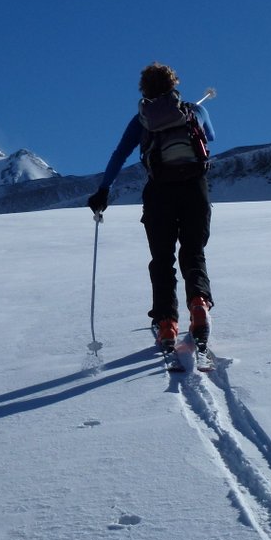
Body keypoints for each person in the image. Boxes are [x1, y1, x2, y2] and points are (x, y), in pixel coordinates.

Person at [87, 62, 216, 354]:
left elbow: (120, 154)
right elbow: (209, 139)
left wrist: (103, 190)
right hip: (195, 189)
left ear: (144, 89)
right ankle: (198, 304)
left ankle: (167, 322)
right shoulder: (195, 111)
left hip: (159, 193)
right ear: (174, 84)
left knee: (162, 259)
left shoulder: (141, 120)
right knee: (193, 252)